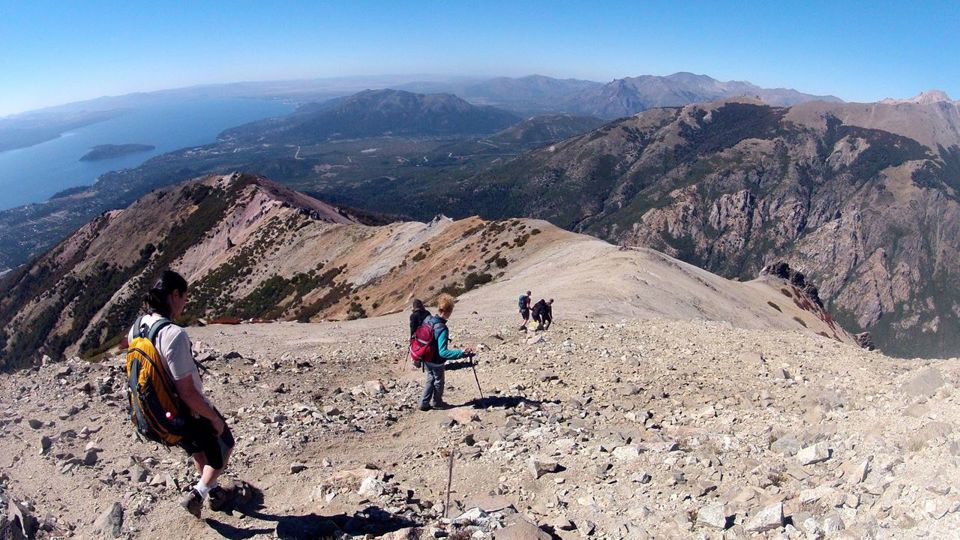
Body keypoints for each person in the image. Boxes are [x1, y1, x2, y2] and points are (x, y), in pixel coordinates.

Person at [128, 270, 235, 519]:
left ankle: (214, 493)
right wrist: (214, 418)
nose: (184, 304)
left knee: (199, 451)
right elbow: (187, 392)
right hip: (187, 411)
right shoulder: (173, 334)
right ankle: (197, 494)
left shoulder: (136, 329)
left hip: (157, 412)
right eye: (184, 297)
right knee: (224, 446)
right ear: (174, 295)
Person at [419, 293, 473, 411]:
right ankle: (437, 403)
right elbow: (443, 352)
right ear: (449, 311)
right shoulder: (442, 328)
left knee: (430, 378)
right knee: (439, 381)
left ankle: (423, 403)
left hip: (426, 356)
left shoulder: (428, 320)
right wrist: (461, 352)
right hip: (436, 360)